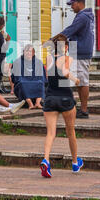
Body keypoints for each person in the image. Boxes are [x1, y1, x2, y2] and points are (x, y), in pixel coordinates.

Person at [40, 34, 83, 178]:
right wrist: (76, 80)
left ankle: (46, 159)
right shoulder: (67, 58)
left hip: (50, 97)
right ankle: (75, 163)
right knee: (70, 132)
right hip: (65, 97)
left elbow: (49, 76)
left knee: (50, 133)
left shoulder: (49, 58)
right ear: (65, 47)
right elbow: (64, 72)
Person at [60, 0, 94, 119]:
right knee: (78, 81)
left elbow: (71, 30)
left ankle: (84, 110)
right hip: (79, 50)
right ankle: (80, 107)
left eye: (73, 4)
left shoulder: (82, 17)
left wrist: (58, 37)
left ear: (79, 3)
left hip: (81, 51)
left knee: (83, 81)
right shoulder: (86, 16)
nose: (71, 7)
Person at [11, 44, 46, 109]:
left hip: (35, 83)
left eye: (30, 51)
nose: (28, 53)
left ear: (33, 53)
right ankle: (30, 104)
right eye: (26, 51)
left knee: (41, 82)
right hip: (21, 85)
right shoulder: (17, 62)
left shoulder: (38, 62)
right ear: (23, 52)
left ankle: (38, 103)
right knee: (22, 83)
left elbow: (42, 78)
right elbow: (16, 79)